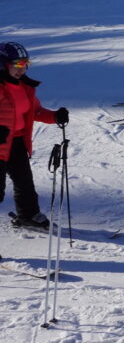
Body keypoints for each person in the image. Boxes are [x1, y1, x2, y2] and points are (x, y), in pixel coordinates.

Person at [0, 42, 68, 229]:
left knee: (24, 183)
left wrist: (54, 116)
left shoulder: (24, 86)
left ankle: (28, 216)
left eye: (25, 64)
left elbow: (34, 111)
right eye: (17, 64)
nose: (22, 69)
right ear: (3, 64)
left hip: (17, 142)